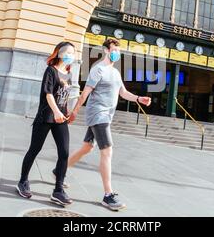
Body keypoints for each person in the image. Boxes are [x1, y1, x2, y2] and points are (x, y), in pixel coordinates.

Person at [67, 38, 151, 211]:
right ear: (106, 50)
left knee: (87, 147)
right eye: (113, 50)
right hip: (98, 115)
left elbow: (123, 92)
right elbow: (85, 93)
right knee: (107, 151)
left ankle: (59, 170)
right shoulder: (98, 69)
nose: (116, 54)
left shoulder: (115, 72)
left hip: (106, 116)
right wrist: (75, 111)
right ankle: (108, 195)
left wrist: (138, 99)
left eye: (118, 51)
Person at [16, 41, 76, 206]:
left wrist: (67, 111)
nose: (72, 55)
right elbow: (48, 94)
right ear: (59, 53)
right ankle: (22, 181)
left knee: (64, 153)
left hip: (61, 119)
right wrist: (56, 111)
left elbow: (64, 95)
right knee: (34, 149)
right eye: (69, 52)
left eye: (74, 53)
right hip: (46, 116)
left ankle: (58, 191)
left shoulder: (69, 74)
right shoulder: (51, 70)